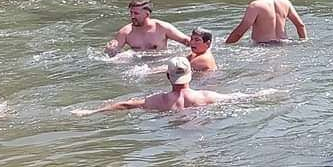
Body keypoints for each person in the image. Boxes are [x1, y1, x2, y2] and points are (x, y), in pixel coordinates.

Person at [74, 57, 228, 115]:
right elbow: (238, 98)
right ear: (190, 74)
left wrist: (92, 111)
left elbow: (125, 105)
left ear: (168, 76)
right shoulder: (207, 96)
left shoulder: (157, 100)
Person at [105, 0, 190, 55]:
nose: (132, 16)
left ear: (147, 14)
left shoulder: (162, 27)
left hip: (160, 64)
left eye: (136, 13)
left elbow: (186, 41)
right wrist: (110, 49)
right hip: (137, 68)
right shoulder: (125, 32)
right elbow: (112, 54)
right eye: (131, 13)